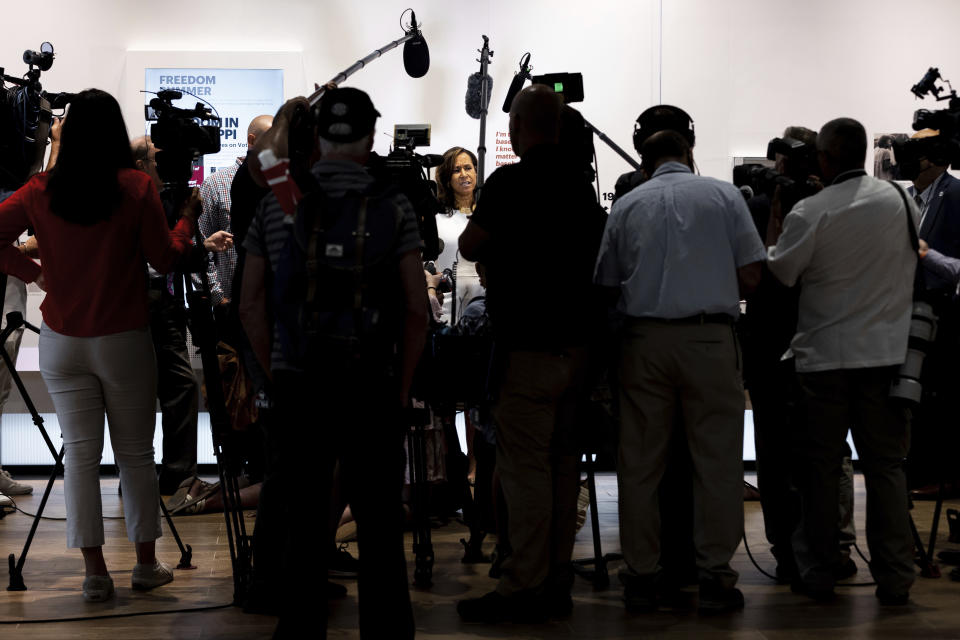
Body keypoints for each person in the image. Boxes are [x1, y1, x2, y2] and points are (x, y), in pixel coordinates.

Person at [0, 89, 231, 602]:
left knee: (79, 459)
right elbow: (166, 258)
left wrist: (32, 270)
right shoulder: (135, 187)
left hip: (63, 339)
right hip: (123, 337)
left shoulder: (41, 190)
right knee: (135, 456)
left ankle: (94, 574)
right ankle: (146, 566)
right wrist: (189, 219)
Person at [240, 87, 425, 639]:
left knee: (303, 529)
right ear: (371, 137)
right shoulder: (393, 204)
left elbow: (250, 303)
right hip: (372, 385)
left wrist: (279, 371)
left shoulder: (281, 199)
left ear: (317, 139)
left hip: (300, 385)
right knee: (381, 531)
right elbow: (417, 308)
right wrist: (402, 387)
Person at [596, 129, 765, 614]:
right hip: (711, 338)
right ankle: (715, 575)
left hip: (645, 340)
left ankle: (643, 575)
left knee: (641, 464)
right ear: (689, 155)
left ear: (643, 162)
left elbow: (606, 285)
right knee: (717, 461)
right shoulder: (723, 195)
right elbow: (753, 275)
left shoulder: (627, 206)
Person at [456, 85, 606, 623]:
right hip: (576, 350)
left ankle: (523, 586)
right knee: (564, 469)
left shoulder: (509, 182)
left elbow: (470, 246)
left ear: (518, 130)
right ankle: (557, 579)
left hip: (527, 349)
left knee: (525, 473)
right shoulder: (579, 190)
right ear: (562, 130)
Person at [766, 117, 916, 605]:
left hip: (824, 361)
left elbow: (782, 274)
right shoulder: (900, 200)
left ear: (826, 160)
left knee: (821, 469)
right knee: (887, 468)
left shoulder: (811, 211)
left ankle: (820, 571)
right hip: (885, 356)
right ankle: (896, 577)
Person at [740, 125, 857, 583]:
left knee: (811, 455)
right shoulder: (760, 206)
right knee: (794, 455)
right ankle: (797, 552)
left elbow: (775, 272)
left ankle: (814, 551)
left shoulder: (822, 212)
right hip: (782, 345)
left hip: (806, 345)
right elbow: (761, 274)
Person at [130, 135, 204, 497]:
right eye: (161, 159)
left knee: (149, 389)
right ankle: (176, 476)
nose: (170, 165)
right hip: (152, 302)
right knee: (180, 385)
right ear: (143, 164)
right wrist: (188, 220)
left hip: (155, 302)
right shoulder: (141, 199)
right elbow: (166, 255)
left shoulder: (146, 197)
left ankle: (145, 474)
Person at [0, 117, 60, 498]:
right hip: (6, 283)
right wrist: (56, 143)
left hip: (8, 289)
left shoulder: (14, 181)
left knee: (1, 386)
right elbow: (43, 193)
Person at [900, 128, 960, 498]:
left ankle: (943, 474)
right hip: (906, 310)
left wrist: (923, 252)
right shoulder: (905, 197)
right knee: (912, 396)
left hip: (945, 315)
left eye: (917, 148)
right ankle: (917, 470)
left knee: (940, 397)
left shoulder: (955, 195)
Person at [195, 114, 273, 309]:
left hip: (273, 299)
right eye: (272, 139)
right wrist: (218, 298)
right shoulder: (215, 184)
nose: (278, 146)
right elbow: (199, 242)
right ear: (252, 141)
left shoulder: (279, 182)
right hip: (231, 301)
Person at [433, 146, 482, 324]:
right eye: (456, 170)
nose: (463, 174)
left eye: (468, 168)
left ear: (477, 171)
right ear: (446, 178)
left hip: (484, 305)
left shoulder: (489, 215)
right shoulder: (436, 218)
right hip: (446, 306)